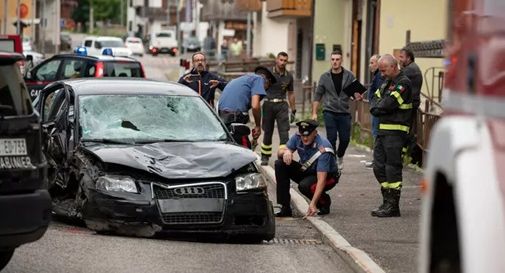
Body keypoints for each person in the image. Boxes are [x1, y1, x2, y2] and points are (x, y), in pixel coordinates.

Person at [369, 54, 413, 217]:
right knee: (378, 167)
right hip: (382, 131)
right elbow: (374, 101)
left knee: (392, 168)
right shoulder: (388, 82)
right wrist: (378, 106)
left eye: (384, 70)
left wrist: (379, 107)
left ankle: (393, 206)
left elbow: (388, 104)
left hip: (396, 132)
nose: (382, 74)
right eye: (380, 71)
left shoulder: (404, 83)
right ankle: (386, 201)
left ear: (393, 67)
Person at [275, 119, 340, 217]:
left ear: (315, 133)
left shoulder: (323, 148)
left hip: (328, 176)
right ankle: (285, 208)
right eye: (303, 135)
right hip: (308, 170)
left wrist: (312, 203)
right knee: (280, 164)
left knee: (304, 186)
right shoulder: (297, 137)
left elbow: (321, 179)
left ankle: (324, 202)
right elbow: (279, 153)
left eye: (308, 135)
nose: (305, 138)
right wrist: (286, 151)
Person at [312, 50, 363, 171]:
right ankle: (332, 161)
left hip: (344, 111)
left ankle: (340, 156)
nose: (335, 62)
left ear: (341, 60)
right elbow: (317, 95)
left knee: (345, 139)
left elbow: (356, 93)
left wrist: (358, 96)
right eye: (333, 59)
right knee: (331, 138)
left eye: (337, 59)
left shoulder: (349, 75)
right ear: (331, 60)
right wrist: (314, 112)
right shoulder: (325, 77)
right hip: (329, 111)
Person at [217, 66, 276, 148]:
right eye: (268, 87)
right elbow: (255, 106)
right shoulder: (259, 79)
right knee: (245, 151)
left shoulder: (242, 79)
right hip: (234, 119)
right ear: (267, 81)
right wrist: (258, 126)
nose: (265, 90)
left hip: (222, 117)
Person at [260, 52, 295, 166]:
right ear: (276, 60)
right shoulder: (268, 74)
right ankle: (265, 156)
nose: (282, 62)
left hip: (282, 105)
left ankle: (283, 156)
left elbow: (291, 93)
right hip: (268, 104)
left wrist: (293, 110)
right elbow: (260, 88)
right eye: (281, 60)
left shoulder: (289, 76)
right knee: (268, 132)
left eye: (285, 60)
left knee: (284, 132)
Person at [398, 47, 423, 159]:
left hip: (409, 105)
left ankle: (413, 156)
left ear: (409, 58)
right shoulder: (412, 68)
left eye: (402, 57)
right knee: (407, 130)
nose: (399, 59)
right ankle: (404, 154)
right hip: (410, 104)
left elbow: (396, 78)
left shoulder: (410, 70)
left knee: (406, 131)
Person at [365, 54, 384, 168]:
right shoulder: (377, 75)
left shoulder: (380, 77)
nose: (370, 65)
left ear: (379, 63)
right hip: (375, 109)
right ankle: (376, 160)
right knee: (375, 134)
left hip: (377, 110)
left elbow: (379, 93)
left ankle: (377, 161)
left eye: (372, 62)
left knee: (377, 134)